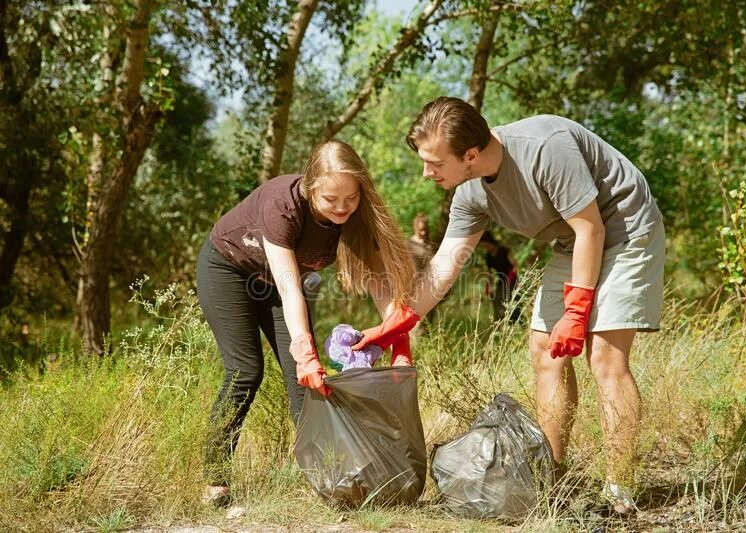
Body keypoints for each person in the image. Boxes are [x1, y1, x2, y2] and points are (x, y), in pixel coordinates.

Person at [393, 96, 665, 515]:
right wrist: (400, 320)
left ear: (470, 154)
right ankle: (550, 480)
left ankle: (619, 491)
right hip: (573, 241)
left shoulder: (544, 147)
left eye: (434, 163)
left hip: (624, 227)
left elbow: (591, 227)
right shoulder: (469, 190)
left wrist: (577, 313)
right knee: (544, 350)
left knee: (604, 356)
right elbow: (445, 264)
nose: (426, 171)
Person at [196, 140, 419, 506]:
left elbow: (381, 283)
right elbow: (290, 288)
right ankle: (215, 479)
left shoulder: (357, 217)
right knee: (246, 370)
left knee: (306, 387)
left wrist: (400, 345)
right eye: (331, 200)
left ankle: (324, 480)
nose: (343, 207)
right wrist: (304, 350)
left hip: (279, 284)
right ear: (310, 185)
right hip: (229, 271)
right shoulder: (281, 205)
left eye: (351, 198)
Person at [477, 231, 521, 322]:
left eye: (487, 246)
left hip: (512, 281)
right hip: (501, 281)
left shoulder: (504, 251)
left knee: (512, 303)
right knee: (496, 299)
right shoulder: (488, 257)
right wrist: (488, 286)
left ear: (491, 242)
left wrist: (512, 277)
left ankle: (519, 323)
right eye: (484, 247)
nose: (486, 248)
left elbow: (516, 266)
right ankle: (500, 323)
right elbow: (489, 273)